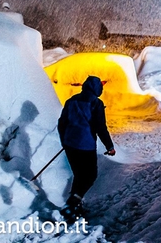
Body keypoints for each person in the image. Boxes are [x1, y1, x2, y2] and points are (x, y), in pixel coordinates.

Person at [57, 75, 116, 223]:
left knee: (79, 174)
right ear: (97, 89)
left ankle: (75, 206)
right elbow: (100, 127)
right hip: (86, 145)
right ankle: (71, 204)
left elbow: (62, 123)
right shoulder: (96, 103)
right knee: (90, 175)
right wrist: (109, 146)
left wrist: (64, 140)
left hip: (70, 145)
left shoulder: (71, 101)